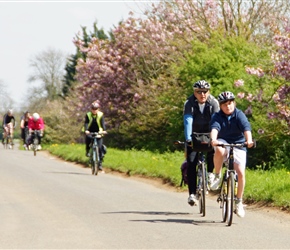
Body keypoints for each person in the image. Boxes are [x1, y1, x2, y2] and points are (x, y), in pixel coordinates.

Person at [210, 91, 254, 218]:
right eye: (224, 105)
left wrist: (249, 140)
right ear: (220, 106)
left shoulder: (239, 114)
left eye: (230, 103)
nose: (228, 106)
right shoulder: (217, 116)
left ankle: (239, 201)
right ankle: (217, 175)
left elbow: (246, 128)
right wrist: (214, 139)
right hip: (223, 141)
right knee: (219, 150)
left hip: (239, 144)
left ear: (234, 103)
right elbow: (214, 128)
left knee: (240, 172)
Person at [183, 80, 220, 206]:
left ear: (209, 92)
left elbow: (217, 121)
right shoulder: (189, 103)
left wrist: (215, 137)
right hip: (194, 135)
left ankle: (210, 173)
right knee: (191, 163)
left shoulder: (214, 103)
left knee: (212, 153)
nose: (202, 94)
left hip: (210, 133)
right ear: (195, 92)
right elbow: (188, 120)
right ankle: (192, 194)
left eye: (205, 91)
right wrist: (188, 138)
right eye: (199, 92)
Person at [84, 102, 106, 171]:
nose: (94, 110)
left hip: (99, 131)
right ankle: (87, 151)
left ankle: (99, 164)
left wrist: (104, 130)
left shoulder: (100, 115)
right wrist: (86, 130)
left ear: (98, 109)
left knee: (99, 147)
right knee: (88, 139)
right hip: (90, 131)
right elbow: (86, 123)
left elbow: (103, 123)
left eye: (96, 109)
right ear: (91, 109)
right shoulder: (88, 115)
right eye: (93, 109)